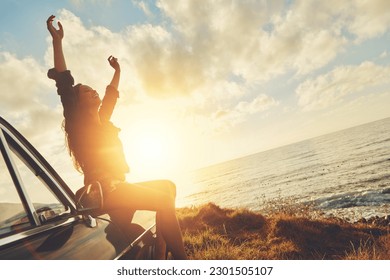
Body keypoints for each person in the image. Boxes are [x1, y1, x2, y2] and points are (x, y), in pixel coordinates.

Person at [46, 15, 186, 259]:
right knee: (163, 200)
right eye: (88, 91)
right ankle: (184, 264)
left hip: (119, 186)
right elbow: (64, 84)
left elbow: (110, 95)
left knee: (168, 187)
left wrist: (118, 71)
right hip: (104, 194)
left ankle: (163, 257)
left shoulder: (103, 121)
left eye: (93, 89)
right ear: (77, 103)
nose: (94, 92)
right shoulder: (78, 125)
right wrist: (57, 41)